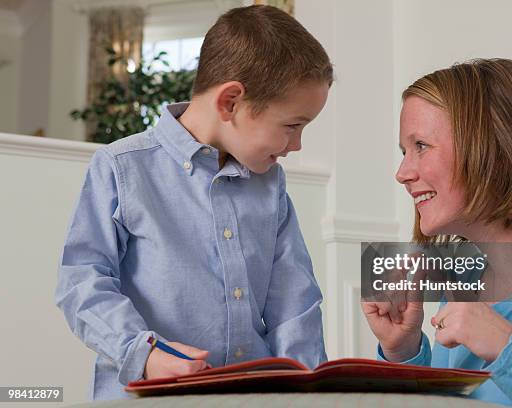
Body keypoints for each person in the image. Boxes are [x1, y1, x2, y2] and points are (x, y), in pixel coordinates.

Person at [55, 5, 332, 400]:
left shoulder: (270, 186)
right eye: (292, 126)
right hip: (149, 397)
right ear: (231, 102)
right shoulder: (121, 168)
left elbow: (295, 304)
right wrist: (144, 355)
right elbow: (81, 282)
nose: (297, 145)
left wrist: (307, 391)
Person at [362, 58, 512, 407]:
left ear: (492, 147)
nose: (402, 172)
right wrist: (403, 351)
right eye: (404, 152)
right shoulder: (462, 276)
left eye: (421, 146)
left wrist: (505, 345)